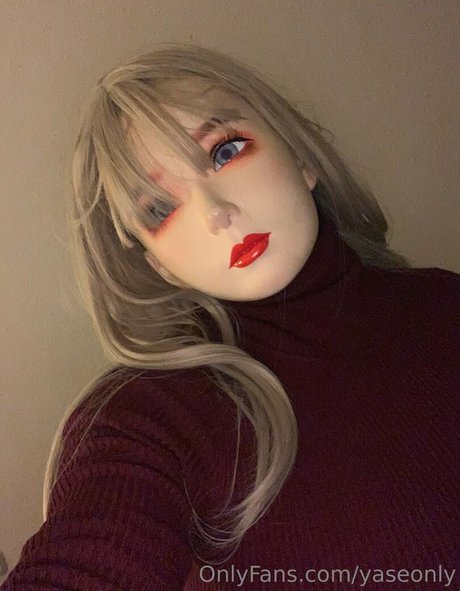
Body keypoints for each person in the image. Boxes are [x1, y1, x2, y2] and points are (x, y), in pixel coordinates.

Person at [2, 43, 458, 591]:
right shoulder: (149, 417)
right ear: (158, 264)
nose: (216, 214)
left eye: (225, 151)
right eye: (160, 209)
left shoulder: (445, 302)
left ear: (301, 157)